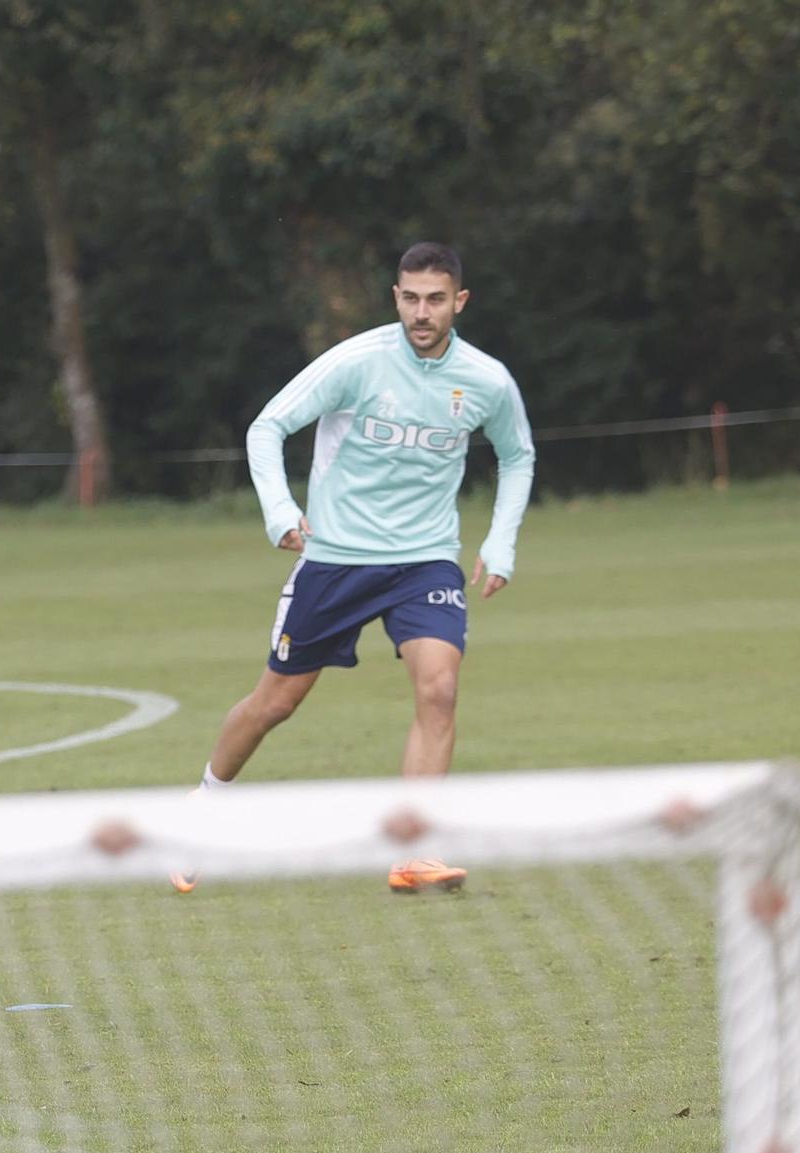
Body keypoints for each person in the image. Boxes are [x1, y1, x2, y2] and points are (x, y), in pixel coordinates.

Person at [174, 241, 535, 894]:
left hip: (425, 560)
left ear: (459, 301)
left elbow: (518, 454)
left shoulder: (486, 379)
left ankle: (413, 847)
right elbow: (268, 426)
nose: (421, 312)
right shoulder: (357, 362)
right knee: (275, 702)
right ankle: (204, 802)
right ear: (395, 297)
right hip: (336, 559)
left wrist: (500, 540)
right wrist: (280, 510)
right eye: (409, 297)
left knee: (440, 688)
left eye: (435, 299)